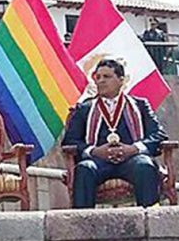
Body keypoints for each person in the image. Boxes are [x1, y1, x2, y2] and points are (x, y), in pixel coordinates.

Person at [61, 58, 168, 208]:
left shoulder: (139, 105)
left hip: (131, 159)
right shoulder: (84, 108)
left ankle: (150, 218)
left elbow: (159, 135)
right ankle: (83, 220)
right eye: (98, 77)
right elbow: (69, 141)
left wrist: (133, 149)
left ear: (121, 80)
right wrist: (95, 151)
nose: (100, 81)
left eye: (107, 76)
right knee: (84, 169)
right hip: (98, 161)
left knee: (145, 165)